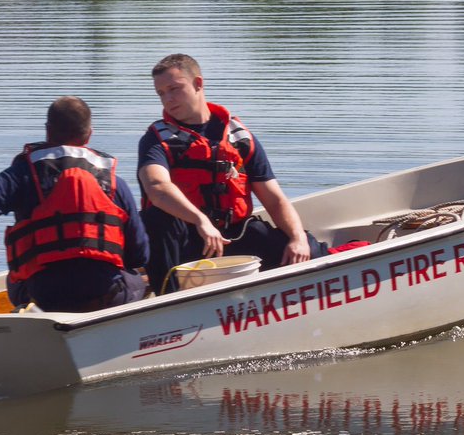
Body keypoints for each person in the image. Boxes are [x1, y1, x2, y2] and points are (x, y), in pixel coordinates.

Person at [0, 96, 148, 313]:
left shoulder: (22, 174)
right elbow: (139, 254)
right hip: (105, 295)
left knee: (18, 277)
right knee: (141, 279)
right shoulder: (113, 182)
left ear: (47, 131)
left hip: (41, 298)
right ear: (88, 135)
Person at [137, 54, 328, 294]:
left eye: (174, 89)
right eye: (161, 93)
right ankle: (167, 299)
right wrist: (200, 220)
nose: (168, 99)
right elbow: (156, 186)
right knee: (157, 220)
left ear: (198, 84)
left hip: (231, 237)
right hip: (188, 242)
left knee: (307, 246)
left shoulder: (239, 137)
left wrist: (297, 238)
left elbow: (274, 198)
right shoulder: (155, 140)